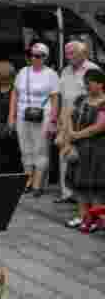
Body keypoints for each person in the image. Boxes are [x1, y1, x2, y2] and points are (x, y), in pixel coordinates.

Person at [10, 42, 60, 197]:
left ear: (45, 57)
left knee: (41, 150)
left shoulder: (51, 74)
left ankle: (38, 184)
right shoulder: (23, 72)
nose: (34, 58)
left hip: (43, 116)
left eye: (38, 55)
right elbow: (15, 94)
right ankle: (28, 181)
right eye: (31, 55)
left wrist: (53, 120)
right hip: (22, 115)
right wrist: (11, 116)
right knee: (25, 150)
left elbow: (55, 99)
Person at [62, 67, 105, 233]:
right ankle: (82, 217)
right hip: (80, 149)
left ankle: (96, 220)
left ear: (100, 84)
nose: (87, 86)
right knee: (79, 186)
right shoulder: (81, 99)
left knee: (95, 188)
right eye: (85, 83)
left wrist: (76, 135)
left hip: (97, 150)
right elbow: (68, 115)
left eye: (90, 83)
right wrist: (70, 132)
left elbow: (100, 127)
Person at [55, 41, 98, 206]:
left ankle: (82, 194)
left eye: (72, 53)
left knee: (81, 157)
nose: (68, 56)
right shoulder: (65, 71)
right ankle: (67, 193)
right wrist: (58, 118)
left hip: (83, 119)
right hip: (66, 118)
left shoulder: (92, 70)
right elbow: (61, 95)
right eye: (67, 53)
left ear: (83, 53)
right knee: (64, 154)